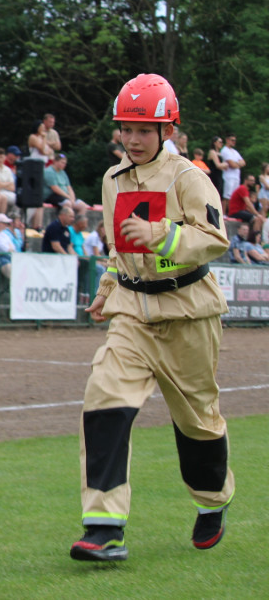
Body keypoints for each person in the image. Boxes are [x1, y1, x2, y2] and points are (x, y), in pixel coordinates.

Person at [74, 73, 233, 562]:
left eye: (145, 130)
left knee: (199, 421)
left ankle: (212, 500)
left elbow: (214, 238)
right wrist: (106, 289)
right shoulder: (111, 179)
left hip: (188, 314)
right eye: (127, 128)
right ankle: (104, 526)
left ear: (169, 131)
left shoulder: (189, 177)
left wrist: (161, 235)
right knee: (103, 402)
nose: (134, 139)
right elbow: (118, 247)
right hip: (132, 314)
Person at [227, 174, 265, 239]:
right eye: (251, 180)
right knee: (257, 219)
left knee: (259, 219)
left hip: (240, 211)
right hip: (235, 212)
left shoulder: (245, 190)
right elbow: (248, 203)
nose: (253, 182)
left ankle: (258, 238)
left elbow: (247, 207)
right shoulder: (242, 188)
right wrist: (257, 214)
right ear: (245, 180)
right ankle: (254, 239)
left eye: (253, 181)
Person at [219, 133, 245, 205]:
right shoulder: (225, 150)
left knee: (234, 196)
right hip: (228, 177)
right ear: (227, 140)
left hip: (236, 177)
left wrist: (236, 164)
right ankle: (224, 213)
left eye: (234, 140)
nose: (234, 142)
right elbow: (232, 165)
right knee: (227, 196)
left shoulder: (235, 152)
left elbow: (243, 162)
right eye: (232, 140)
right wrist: (238, 164)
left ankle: (230, 213)